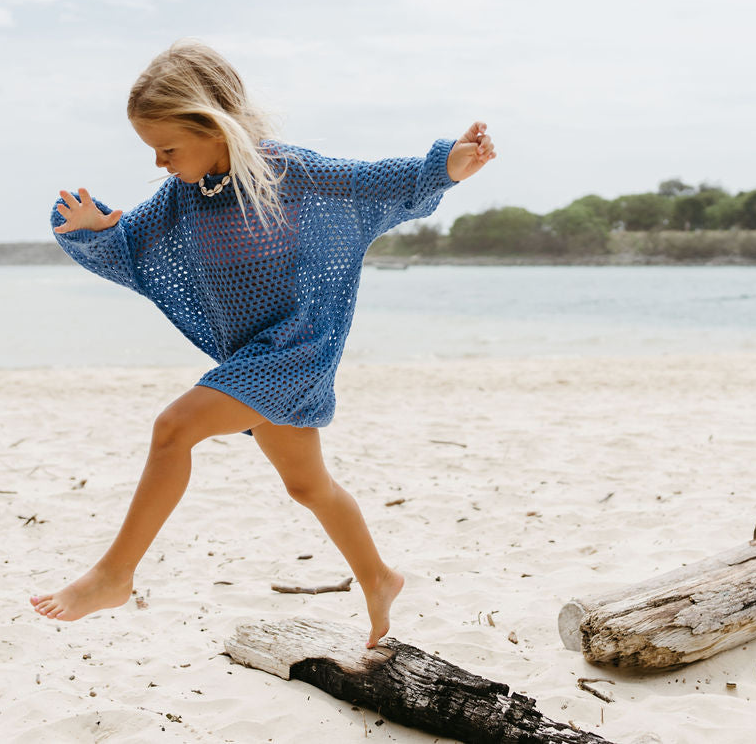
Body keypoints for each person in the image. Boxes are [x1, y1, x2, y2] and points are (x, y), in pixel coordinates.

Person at [30, 39, 495, 648]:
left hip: (298, 349)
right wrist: (100, 227)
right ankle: (380, 578)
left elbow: (368, 184)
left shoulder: (288, 172)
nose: (161, 164)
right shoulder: (181, 199)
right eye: (154, 152)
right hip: (253, 359)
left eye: (168, 149)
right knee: (309, 487)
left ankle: (113, 575)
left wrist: (446, 166)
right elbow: (133, 245)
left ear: (213, 124)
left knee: (174, 428)